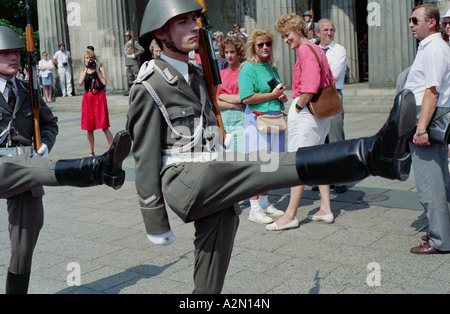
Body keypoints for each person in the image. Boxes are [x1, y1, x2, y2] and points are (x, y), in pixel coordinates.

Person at [128, 0, 417, 294]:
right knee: (260, 163)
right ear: (161, 33)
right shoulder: (149, 85)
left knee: (217, 249)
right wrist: (155, 222)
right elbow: (144, 158)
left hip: (208, 176)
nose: (194, 26)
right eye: (182, 21)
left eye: (194, 19)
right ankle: (370, 153)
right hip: (183, 179)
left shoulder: (196, 75)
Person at [0, 25, 132, 294]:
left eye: (16, 51)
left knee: (24, 246)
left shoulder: (28, 89)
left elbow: (50, 124)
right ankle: (97, 169)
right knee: (25, 165)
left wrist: (45, 147)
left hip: (30, 168)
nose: (13, 56)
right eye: (5, 53)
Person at [266, 13, 334, 231]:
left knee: (298, 162)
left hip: (307, 113)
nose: (286, 40)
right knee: (318, 159)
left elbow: (311, 85)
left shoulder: (305, 50)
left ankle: (290, 215)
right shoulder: (316, 48)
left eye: (287, 35)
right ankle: (325, 208)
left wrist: (296, 107)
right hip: (321, 113)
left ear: (298, 30)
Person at [404, 4, 450, 255]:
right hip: (426, 118)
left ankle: (440, 240)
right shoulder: (431, 47)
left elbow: (432, 91)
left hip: (428, 121)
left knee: (429, 184)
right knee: (440, 181)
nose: (410, 24)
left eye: (415, 20)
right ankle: (443, 230)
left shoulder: (434, 49)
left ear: (431, 22)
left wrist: (421, 129)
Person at [238, 28, 287, 224]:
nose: (265, 47)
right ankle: (254, 208)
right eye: (261, 44)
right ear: (253, 47)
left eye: (268, 43)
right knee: (259, 164)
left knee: (270, 165)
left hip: (274, 119)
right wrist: (274, 95)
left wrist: (280, 97)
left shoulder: (271, 67)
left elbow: (274, 94)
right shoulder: (248, 68)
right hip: (257, 121)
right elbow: (247, 97)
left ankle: (265, 203)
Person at [316, 18, 349, 194]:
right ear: (317, 33)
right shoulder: (313, 49)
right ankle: (322, 178)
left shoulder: (339, 50)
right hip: (315, 98)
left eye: (331, 30)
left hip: (333, 96)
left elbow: (333, 75)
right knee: (319, 139)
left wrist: (314, 76)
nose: (329, 33)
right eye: (325, 30)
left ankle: (341, 177)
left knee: (335, 137)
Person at [78, 49, 114, 156]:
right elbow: (80, 82)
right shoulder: (83, 71)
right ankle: (91, 152)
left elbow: (104, 82)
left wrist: (97, 70)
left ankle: (113, 149)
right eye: (87, 58)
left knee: (104, 125)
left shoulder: (100, 69)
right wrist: (86, 69)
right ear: (84, 61)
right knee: (89, 128)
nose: (90, 60)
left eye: (92, 58)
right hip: (88, 98)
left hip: (99, 96)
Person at [216, 36, 246, 152]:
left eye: (232, 52)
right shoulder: (220, 74)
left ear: (238, 52)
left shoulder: (244, 71)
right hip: (223, 121)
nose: (229, 55)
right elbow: (215, 102)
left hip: (241, 121)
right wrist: (233, 105)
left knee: (242, 156)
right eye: (226, 52)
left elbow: (242, 98)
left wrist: (222, 96)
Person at [124, 30, 145, 96]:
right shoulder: (126, 44)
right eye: (125, 36)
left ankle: (139, 91)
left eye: (127, 36)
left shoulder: (134, 43)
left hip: (134, 63)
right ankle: (130, 91)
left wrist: (135, 55)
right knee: (130, 77)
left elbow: (142, 50)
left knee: (137, 76)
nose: (126, 37)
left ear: (130, 36)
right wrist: (126, 64)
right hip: (128, 63)